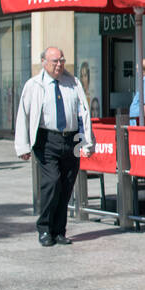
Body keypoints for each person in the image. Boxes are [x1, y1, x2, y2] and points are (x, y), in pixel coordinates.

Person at [15, 47, 95, 247]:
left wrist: (87, 142)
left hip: (72, 139)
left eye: (61, 60)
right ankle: (44, 228)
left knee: (67, 186)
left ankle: (59, 231)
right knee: (51, 184)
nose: (59, 65)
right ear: (44, 62)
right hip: (47, 139)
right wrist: (23, 146)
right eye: (54, 61)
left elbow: (82, 113)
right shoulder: (34, 85)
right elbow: (23, 116)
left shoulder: (73, 83)